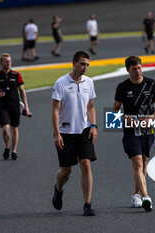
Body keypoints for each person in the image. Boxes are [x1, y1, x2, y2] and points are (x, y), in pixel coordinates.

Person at [113, 56, 155, 212]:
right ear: (128, 70)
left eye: (139, 67)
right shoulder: (122, 87)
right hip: (131, 131)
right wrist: (126, 118)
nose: (137, 71)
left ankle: (136, 194)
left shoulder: (151, 83)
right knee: (137, 162)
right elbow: (114, 110)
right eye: (134, 68)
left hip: (148, 131)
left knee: (144, 163)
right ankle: (146, 196)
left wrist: (151, 118)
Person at [51, 51, 97, 216]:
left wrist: (93, 125)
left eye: (87, 65)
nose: (85, 68)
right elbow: (55, 110)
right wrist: (57, 134)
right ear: (74, 63)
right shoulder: (61, 83)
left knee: (86, 164)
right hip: (65, 132)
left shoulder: (89, 82)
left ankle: (87, 204)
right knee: (66, 171)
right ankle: (59, 189)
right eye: (82, 64)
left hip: (84, 131)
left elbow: (90, 106)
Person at [0, 53, 31, 160]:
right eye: (6, 61)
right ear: (1, 63)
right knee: (5, 129)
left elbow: (22, 91)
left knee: (15, 129)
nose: (9, 63)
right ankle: (7, 147)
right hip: (3, 106)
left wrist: (26, 107)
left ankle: (14, 151)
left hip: (15, 106)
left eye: (10, 61)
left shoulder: (17, 75)